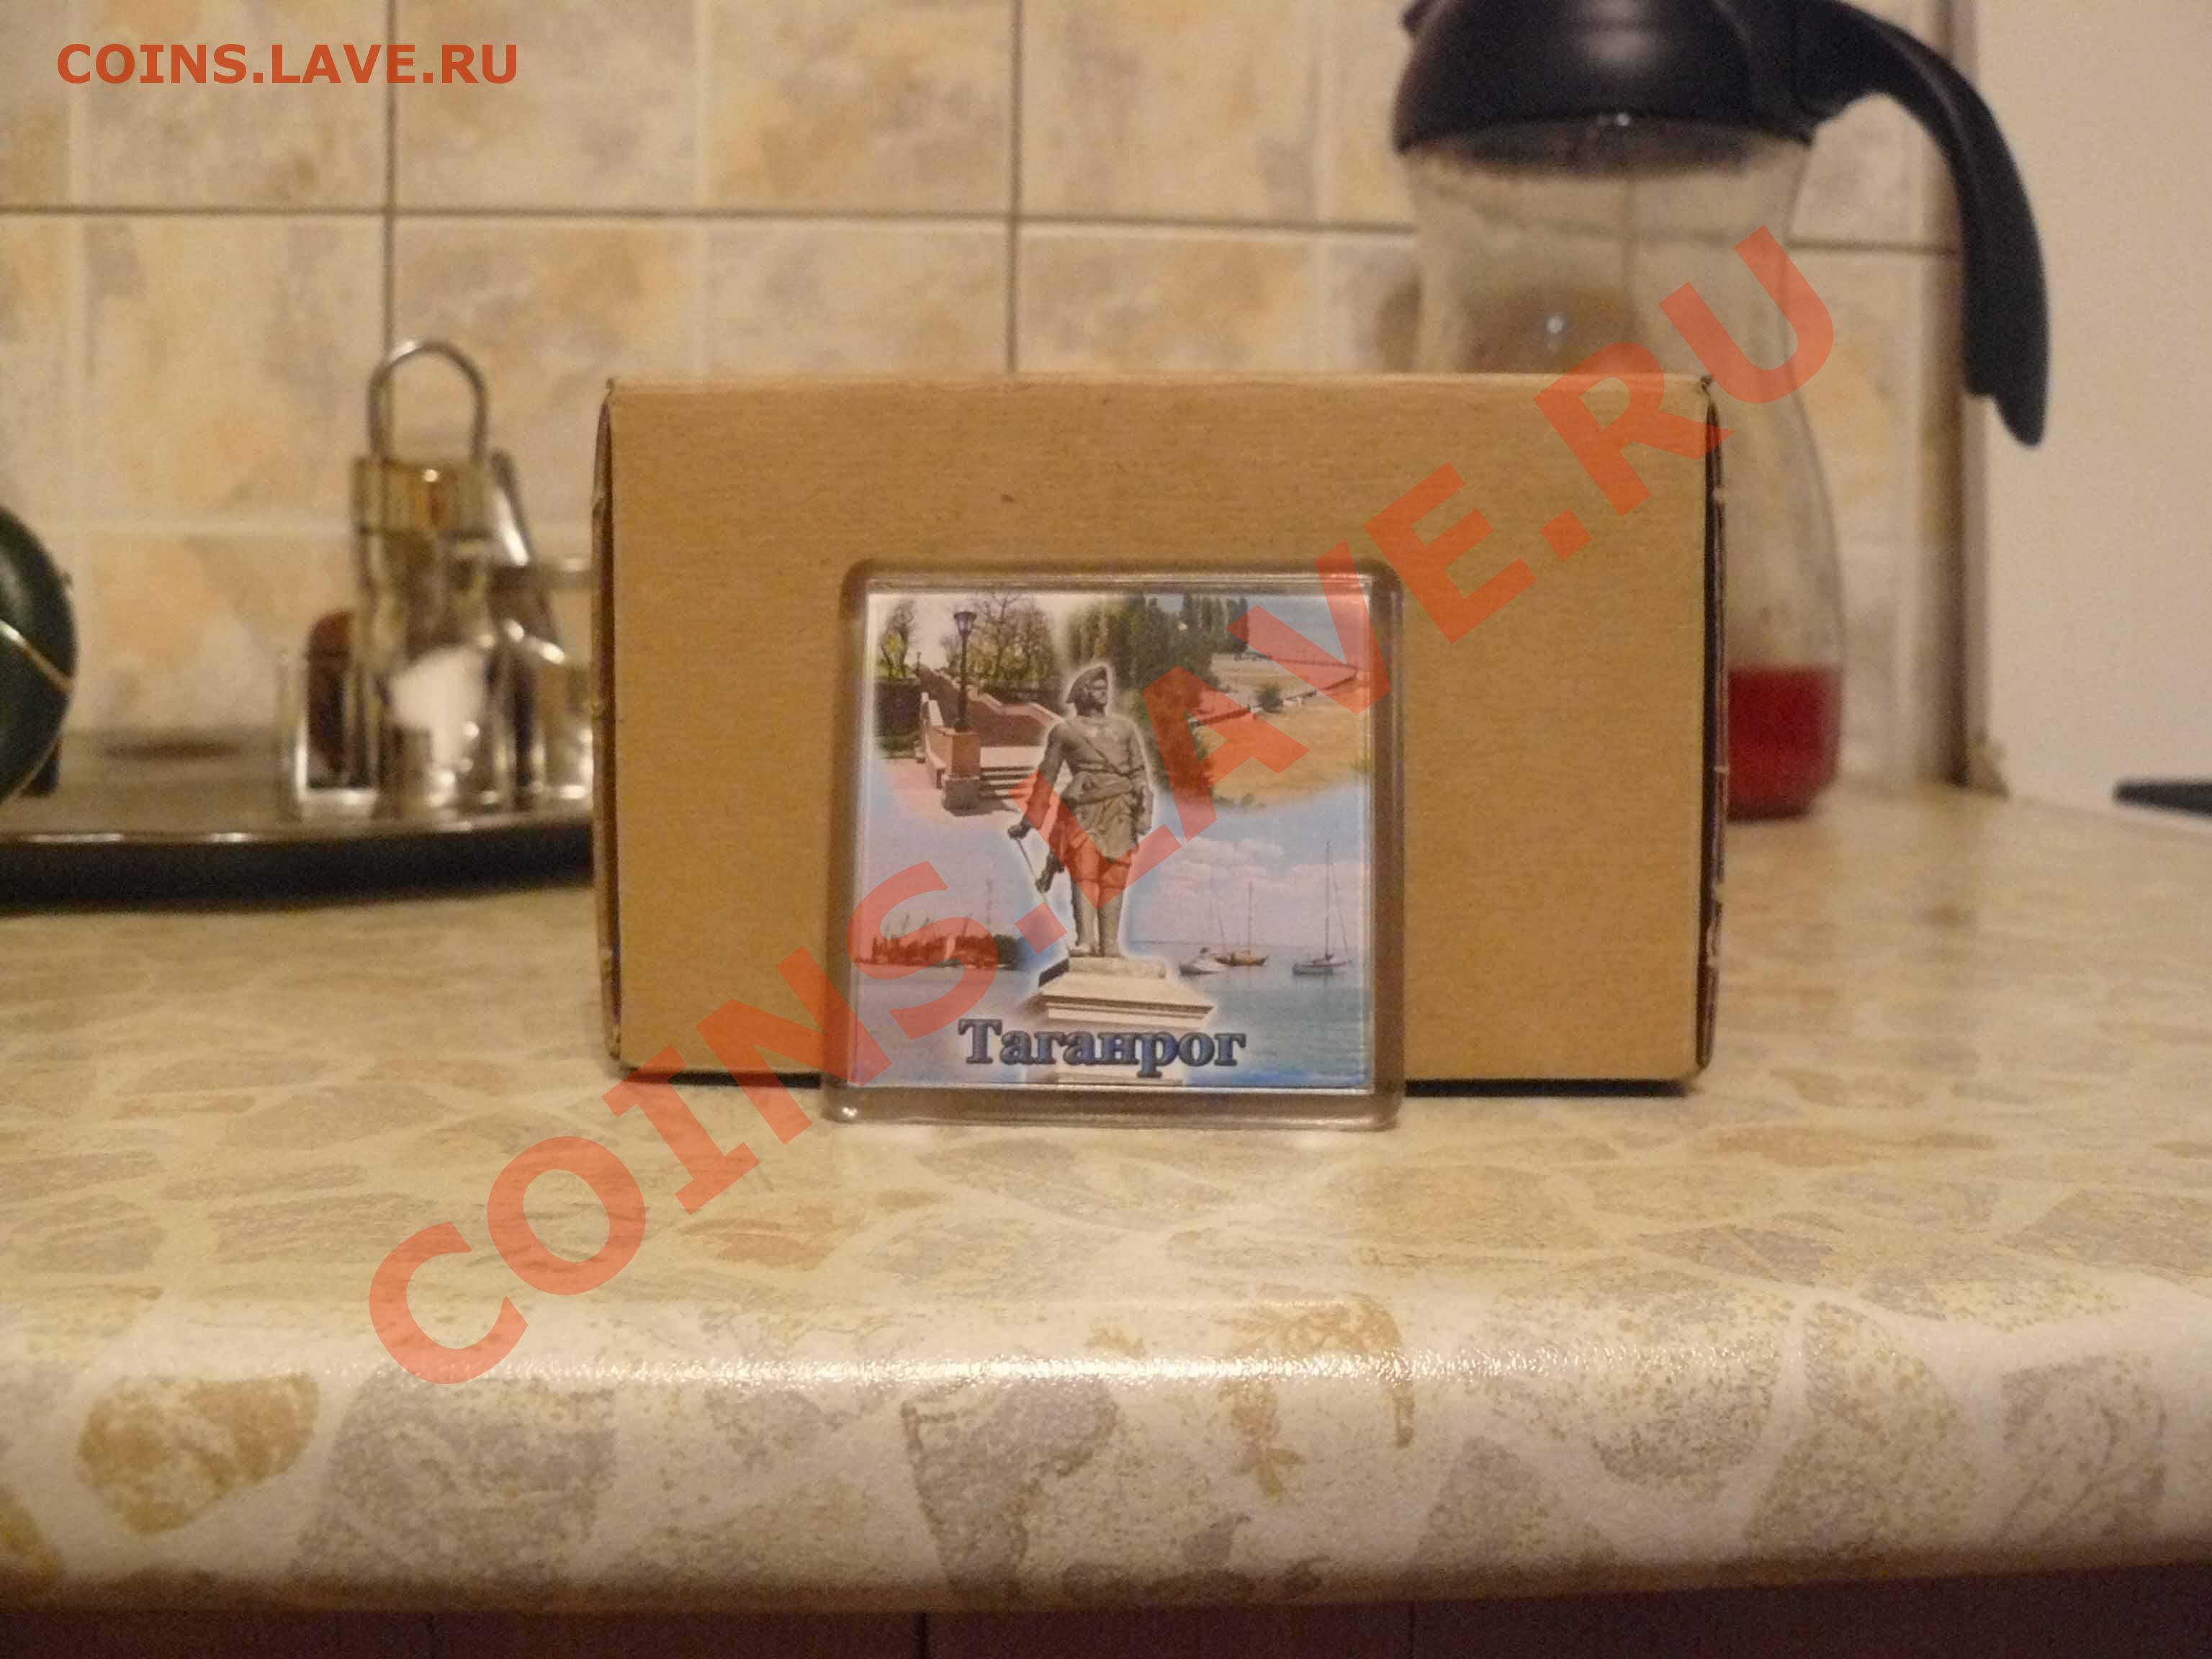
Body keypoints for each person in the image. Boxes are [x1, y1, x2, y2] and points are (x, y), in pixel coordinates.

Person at [1010, 665, 1153, 958]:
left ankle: (1110, 945)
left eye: (1105, 687)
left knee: (1114, 877)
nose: (1104, 691)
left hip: (1120, 809)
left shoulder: (1125, 729)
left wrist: (1144, 805)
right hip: (1083, 809)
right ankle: (1086, 940)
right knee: (1084, 873)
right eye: (1097, 687)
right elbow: (1047, 777)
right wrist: (1028, 822)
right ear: (1083, 694)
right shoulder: (1065, 731)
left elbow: (1139, 772)